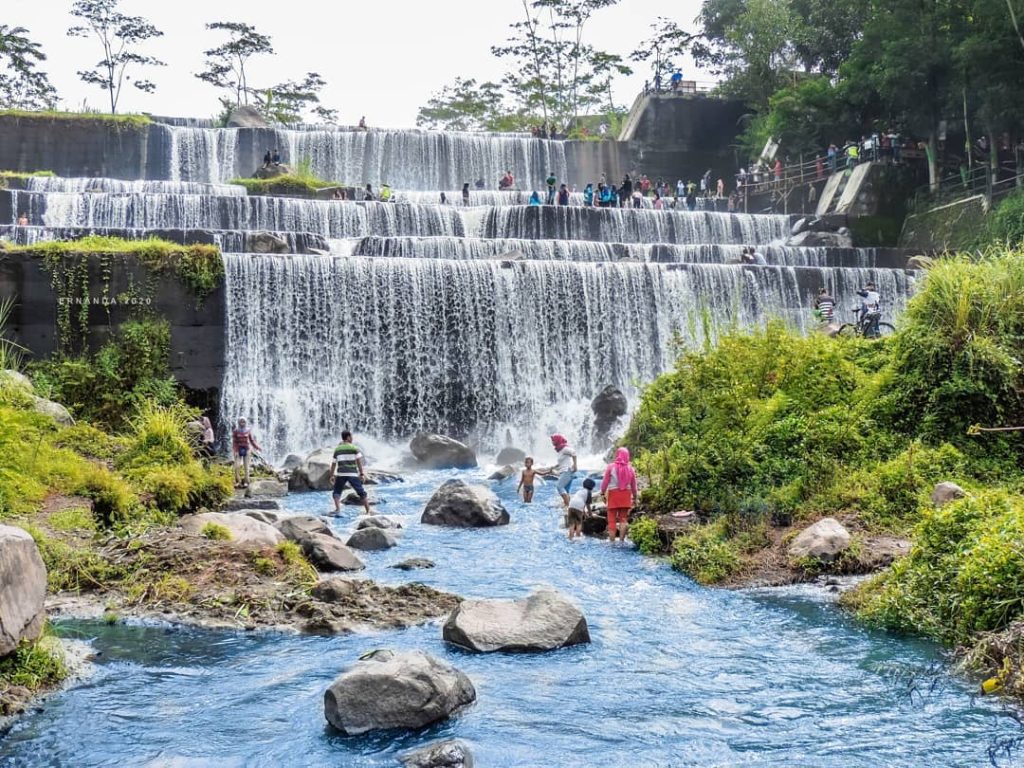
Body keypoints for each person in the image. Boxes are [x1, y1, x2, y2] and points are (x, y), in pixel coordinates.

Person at [329, 430, 372, 516]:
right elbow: (359, 462)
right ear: (348, 437)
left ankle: (337, 510)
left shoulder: (337, 449)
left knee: (336, 492)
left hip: (341, 474)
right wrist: (362, 474)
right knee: (361, 492)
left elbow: (333, 464)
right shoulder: (354, 448)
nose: (352, 438)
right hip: (352, 474)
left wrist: (332, 475)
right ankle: (368, 511)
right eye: (351, 436)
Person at [601, 447, 638, 544]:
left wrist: (602, 492)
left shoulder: (610, 467)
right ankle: (621, 540)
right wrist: (635, 497)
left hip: (613, 494)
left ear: (618, 455)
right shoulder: (631, 469)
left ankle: (612, 541)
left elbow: (605, 482)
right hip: (626, 495)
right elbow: (634, 485)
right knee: (623, 518)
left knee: (612, 519)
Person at [231, 418, 261, 489]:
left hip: (247, 449)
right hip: (238, 449)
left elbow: (252, 441)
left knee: (246, 466)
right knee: (236, 466)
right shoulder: (235, 431)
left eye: (244, 422)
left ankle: (246, 482)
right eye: (241, 422)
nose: (242, 423)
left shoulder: (248, 430)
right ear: (238, 422)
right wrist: (235, 451)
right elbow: (234, 442)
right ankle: (238, 481)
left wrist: (257, 447)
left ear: (245, 422)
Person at [549, 434, 577, 508]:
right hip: (565, 471)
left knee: (559, 486)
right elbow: (561, 462)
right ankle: (567, 505)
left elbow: (574, 453)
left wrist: (575, 465)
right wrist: (554, 467)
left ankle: (567, 506)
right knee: (566, 490)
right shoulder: (560, 450)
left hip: (567, 471)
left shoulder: (565, 449)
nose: (552, 442)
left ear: (558, 440)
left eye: (553, 440)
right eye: (552, 440)